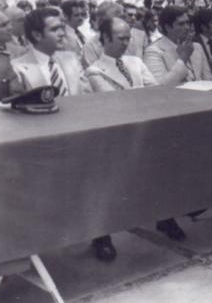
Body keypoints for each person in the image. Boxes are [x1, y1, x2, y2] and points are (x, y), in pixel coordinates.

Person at [81, 16, 158, 261]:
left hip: (142, 130)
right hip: (112, 139)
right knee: (108, 190)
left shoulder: (135, 62)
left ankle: (167, 218)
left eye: (128, 38)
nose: (126, 42)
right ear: (104, 38)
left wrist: (139, 96)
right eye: (121, 38)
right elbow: (112, 104)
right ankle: (102, 237)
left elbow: (157, 91)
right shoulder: (94, 71)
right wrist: (141, 95)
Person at [12, 7, 90, 95]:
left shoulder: (71, 59)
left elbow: (87, 95)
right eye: (54, 29)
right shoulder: (18, 68)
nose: (62, 33)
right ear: (37, 35)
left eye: (62, 28)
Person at [144, 5, 212, 85]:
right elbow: (160, 87)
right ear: (168, 27)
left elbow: (209, 79)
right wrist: (183, 58)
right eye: (181, 24)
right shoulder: (153, 52)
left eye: (188, 23)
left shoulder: (197, 47)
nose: (187, 27)